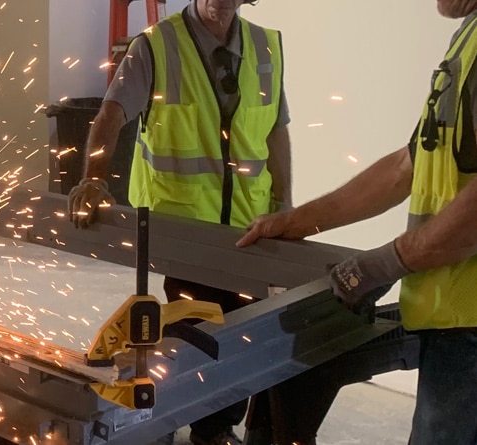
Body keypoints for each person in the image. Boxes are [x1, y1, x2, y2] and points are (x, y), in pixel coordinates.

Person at [237, 1, 477, 444]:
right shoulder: (469, 36)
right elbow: (408, 166)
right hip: (454, 320)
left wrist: (383, 264)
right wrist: (300, 220)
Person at [67, 0, 291, 444]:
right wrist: (93, 178)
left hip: (249, 223)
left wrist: (285, 204)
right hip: (183, 226)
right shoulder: (157, 45)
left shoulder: (267, 48)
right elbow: (111, 112)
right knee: (191, 328)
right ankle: (164, 417)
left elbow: (276, 129)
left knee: (242, 326)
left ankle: (216, 429)